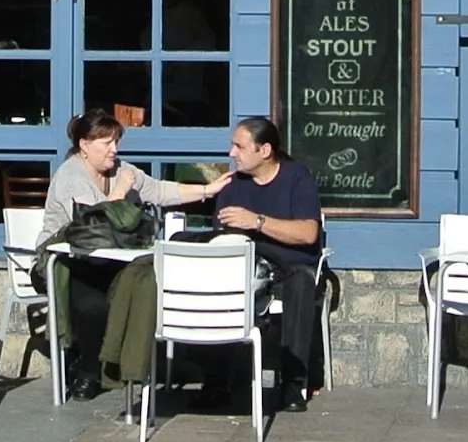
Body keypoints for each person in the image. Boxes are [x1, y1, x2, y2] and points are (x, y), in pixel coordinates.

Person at [38, 109, 230, 401]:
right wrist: (121, 189)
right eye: (106, 143)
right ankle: (88, 372)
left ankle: (125, 366)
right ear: (84, 145)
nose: (114, 150)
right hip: (64, 260)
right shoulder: (70, 175)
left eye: (116, 142)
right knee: (92, 305)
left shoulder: (120, 169)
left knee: (138, 288)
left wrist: (207, 190)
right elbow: (93, 224)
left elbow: (159, 191)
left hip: (108, 259)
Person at [198, 117, 323, 412]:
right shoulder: (233, 186)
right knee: (213, 284)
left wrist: (257, 222)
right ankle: (215, 381)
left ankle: (293, 384)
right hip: (245, 265)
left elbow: (308, 233)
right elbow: (222, 235)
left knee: (301, 285)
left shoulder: (297, 178)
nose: (231, 153)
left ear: (264, 150)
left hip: (289, 266)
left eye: (239, 147)